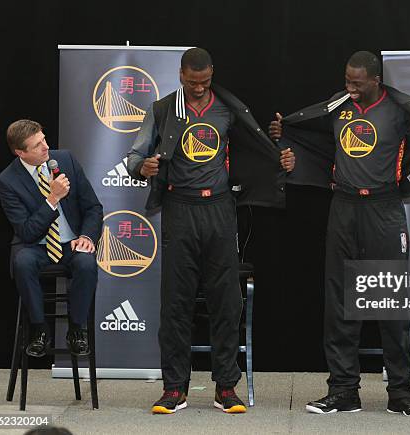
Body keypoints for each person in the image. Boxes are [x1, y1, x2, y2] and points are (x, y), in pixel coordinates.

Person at [269, 51, 410, 417]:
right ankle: (343, 391)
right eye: (346, 80)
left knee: (390, 303)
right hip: (343, 208)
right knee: (340, 302)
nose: (349, 87)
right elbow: (312, 141)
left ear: (376, 80)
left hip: (383, 210)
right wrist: (284, 132)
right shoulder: (338, 108)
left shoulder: (400, 110)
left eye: (357, 82)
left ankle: (401, 392)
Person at [127, 47, 293, 414]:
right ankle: (174, 389)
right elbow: (133, 157)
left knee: (226, 303)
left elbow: (256, 151)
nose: (198, 88)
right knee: (176, 304)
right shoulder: (162, 109)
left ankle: (225, 388)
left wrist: (280, 159)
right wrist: (145, 167)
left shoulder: (229, 109)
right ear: (181, 74)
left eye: (204, 82)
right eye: (191, 82)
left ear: (212, 74)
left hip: (219, 209)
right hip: (179, 209)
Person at [0, 119, 102, 358]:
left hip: (71, 243)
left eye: (44, 139)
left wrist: (86, 236)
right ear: (20, 152)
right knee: (22, 262)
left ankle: (77, 329)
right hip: (36, 246)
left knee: (86, 262)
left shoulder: (65, 160)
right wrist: (52, 199)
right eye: (37, 145)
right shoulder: (7, 181)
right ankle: (39, 330)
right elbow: (26, 231)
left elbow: (93, 208)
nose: (46, 147)